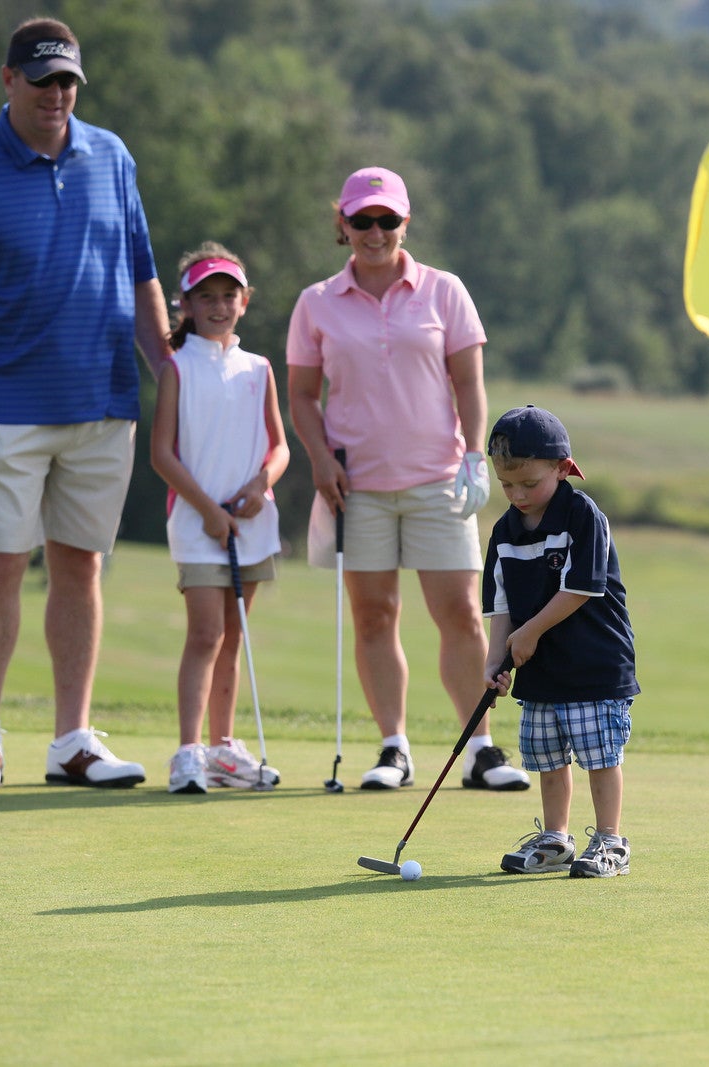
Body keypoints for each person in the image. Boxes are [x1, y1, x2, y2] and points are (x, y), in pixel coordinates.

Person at [0, 17, 172, 793]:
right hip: (5, 402)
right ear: (8, 80)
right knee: (2, 564)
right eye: (42, 80)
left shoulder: (112, 156)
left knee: (81, 568)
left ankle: (72, 739)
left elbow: (141, 270)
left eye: (68, 81)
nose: (57, 94)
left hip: (102, 398)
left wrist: (166, 369)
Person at [286, 166, 528, 792]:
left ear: (404, 223)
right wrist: (317, 457)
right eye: (362, 220)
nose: (375, 231)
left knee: (461, 617)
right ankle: (393, 748)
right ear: (342, 224)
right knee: (374, 616)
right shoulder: (317, 302)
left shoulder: (444, 291)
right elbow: (304, 397)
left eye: (386, 219)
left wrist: (476, 455)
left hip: (439, 480)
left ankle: (479, 748)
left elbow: (468, 383)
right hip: (357, 485)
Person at [150, 243, 289, 794]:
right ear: (185, 303)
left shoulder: (258, 369)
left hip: (251, 524)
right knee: (205, 634)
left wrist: (260, 485)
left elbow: (279, 447)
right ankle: (188, 752)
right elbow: (162, 453)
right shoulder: (176, 368)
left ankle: (223, 748)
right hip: (197, 523)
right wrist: (208, 510)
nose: (218, 305)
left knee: (233, 637)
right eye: (205, 296)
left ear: (245, 301)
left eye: (228, 295)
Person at [481, 406, 638, 878]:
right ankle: (556, 839)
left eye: (529, 484)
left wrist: (528, 633)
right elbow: (501, 604)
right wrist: (494, 658)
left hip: (594, 661)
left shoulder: (582, 514)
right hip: (541, 668)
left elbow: (580, 587)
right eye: (507, 485)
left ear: (562, 467)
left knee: (598, 755)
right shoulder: (504, 531)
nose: (517, 495)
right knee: (548, 756)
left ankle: (611, 841)